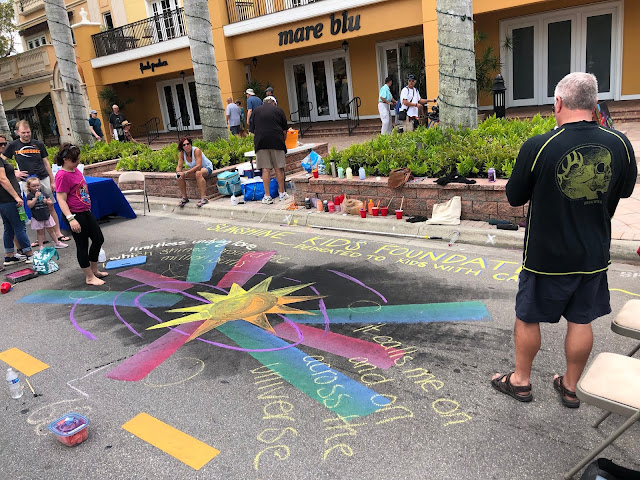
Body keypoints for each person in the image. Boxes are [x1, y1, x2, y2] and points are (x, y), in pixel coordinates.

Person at [491, 72, 637, 408]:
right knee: (581, 319)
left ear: (558, 103)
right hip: (593, 253)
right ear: (594, 104)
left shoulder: (539, 145)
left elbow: (514, 197)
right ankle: (571, 387)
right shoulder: (620, 143)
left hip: (545, 256)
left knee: (528, 316)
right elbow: (625, 190)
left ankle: (521, 381)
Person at [1, 120, 70, 244]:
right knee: (35, 209)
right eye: (23, 132)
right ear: (17, 132)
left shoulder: (38, 144)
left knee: (50, 206)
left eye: (28, 132)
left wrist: (52, 181)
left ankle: (58, 233)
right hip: (27, 181)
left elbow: (46, 162)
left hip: (43, 178)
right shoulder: (13, 145)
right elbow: (2, 161)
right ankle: (41, 238)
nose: (26, 135)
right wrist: (15, 171)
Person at [55, 143, 108, 286]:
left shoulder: (75, 170)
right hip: (74, 214)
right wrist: (71, 218)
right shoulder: (62, 175)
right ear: (66, 159)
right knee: (82, 244)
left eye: (78, 158)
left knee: (98, 239)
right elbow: (61, 199)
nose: (78, 162)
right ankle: (89, 277)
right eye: (75, 159)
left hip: (85, 211)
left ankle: (94, 270)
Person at [248, 96, 289, 205]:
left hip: (261, 143)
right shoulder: (279, 110)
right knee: (279, 168)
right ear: (274, 103)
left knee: (265, 169)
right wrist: (283, 141)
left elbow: (252, 130)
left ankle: (267, 196)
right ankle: (282, 193)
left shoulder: (256, 111)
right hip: (277, 141)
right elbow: (285, 130)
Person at [0, 143, 33, 268]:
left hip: (3, 200)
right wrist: (15, 196)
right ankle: (29, 253)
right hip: (8, 199)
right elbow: (2, 179)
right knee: (19, 226)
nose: (3, 146)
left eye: (4, 144)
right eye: (0, 144)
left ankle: (9, 255)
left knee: (8, 227)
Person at [25, 176, 67, 250]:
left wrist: (47, 201)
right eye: (33, 186)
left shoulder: (44, 194)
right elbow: (29, 205)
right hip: (37, 217)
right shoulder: (30, 196)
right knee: (40, 232)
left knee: (51, 230)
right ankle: (41, 246)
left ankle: (57, 242)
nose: (36, 187)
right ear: (29, 187)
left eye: (37, 185)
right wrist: (35, 198)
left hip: (46, 215)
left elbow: (51, 203)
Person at [176, 136, 214, 208]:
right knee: (178, 176)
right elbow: (179, 166)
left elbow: (199, 166)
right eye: (184, 145)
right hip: (194, 169)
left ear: (191, 144)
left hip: (206, 168)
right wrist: (178, 172)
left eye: (188, 144)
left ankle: (204, 198)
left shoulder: (196, 150)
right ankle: (184, 198)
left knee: (198, 173)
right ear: (182, 147)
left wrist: (186, 172)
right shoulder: (182, 153)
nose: (186, 146)